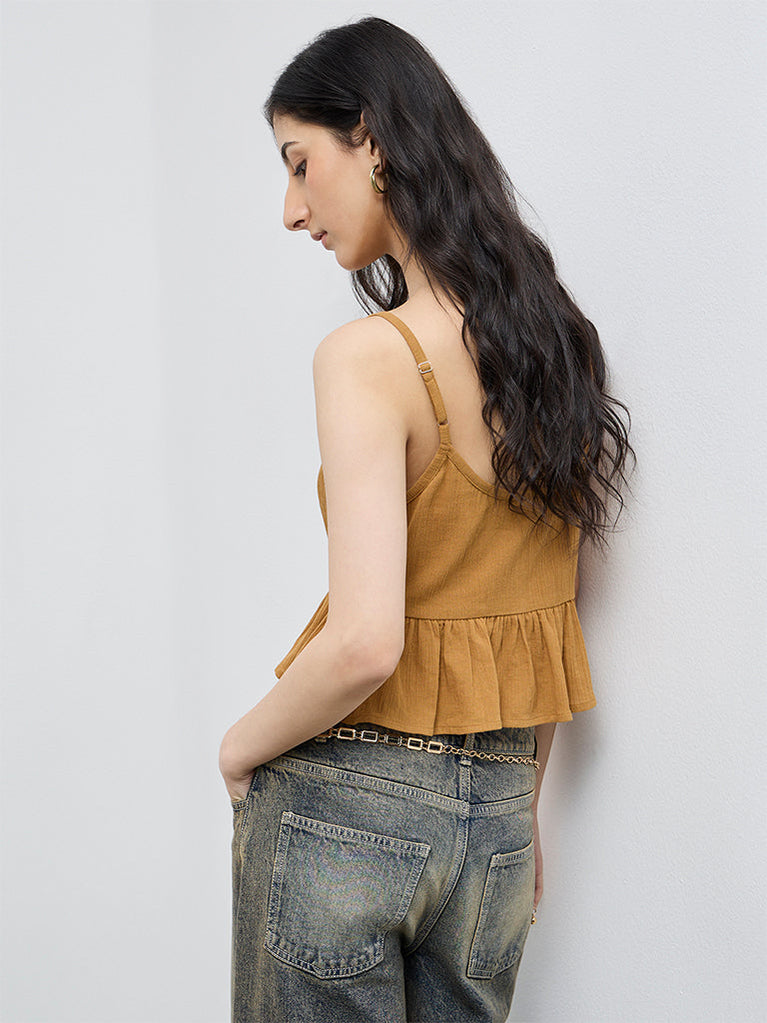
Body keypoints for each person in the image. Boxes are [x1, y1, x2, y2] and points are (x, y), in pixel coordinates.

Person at [219, 16, 635, 1023]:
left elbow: (365, 642)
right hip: (496, 825)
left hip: (345, 813)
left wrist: (235, 749)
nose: (290, 209)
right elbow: (543, 617)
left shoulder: (367, 358)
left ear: (371, 139)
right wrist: (512, 808)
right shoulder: (553, 351)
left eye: (299, 163)